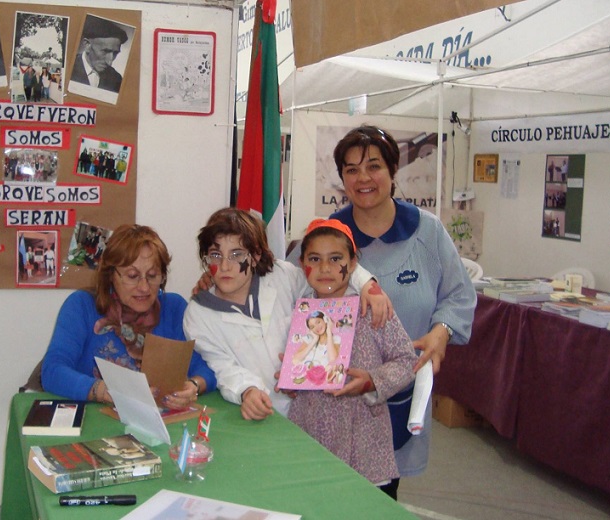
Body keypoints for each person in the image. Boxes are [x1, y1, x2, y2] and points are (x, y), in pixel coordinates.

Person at [329, 125, 477, 499]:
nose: (363, 178)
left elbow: (458, 294)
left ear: (393, 172)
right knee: (332, 495)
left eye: (374, 166)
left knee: (383, 493)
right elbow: (286, 287)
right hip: (338, 397)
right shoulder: (328, 237)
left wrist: (441, 331)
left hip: (400, 392)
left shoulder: (428, 232)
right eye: (351, 169)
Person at [183, 208, 392, 422]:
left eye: (237, 255)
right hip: (259, 415)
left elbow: (327, 269)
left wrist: (366, 283)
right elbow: (222, 366)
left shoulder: (283, 276)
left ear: (255, 256)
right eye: (216, 255)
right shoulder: (197, 314)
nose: (225, 266)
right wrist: (248, 390)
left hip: (314, 410)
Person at [286, 218, 417, 500]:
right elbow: (299, 364)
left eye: (336, 259)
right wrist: (289, 377)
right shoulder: (298, 311)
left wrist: (372, 381)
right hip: (310, 434)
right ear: (301, 263)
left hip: (364, 442)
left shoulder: (372, 310)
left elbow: (407, 361)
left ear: (354, 262)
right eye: (314, 259)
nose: (324, 269)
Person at [41, 224, 216, 409]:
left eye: (153, 275)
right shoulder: (81, 306)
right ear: (110, 275)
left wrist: (194, 386)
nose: (144, 287)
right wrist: (106, 391)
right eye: (132, 276)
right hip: (97, 419)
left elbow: (208, 366)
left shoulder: (174, 308)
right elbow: (52, 371)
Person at [70, 16, 128, 93]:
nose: (110, 62)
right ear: (87, 45)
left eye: (115, 53)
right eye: (105, 51)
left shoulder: (116, 79)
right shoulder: (68, 68)